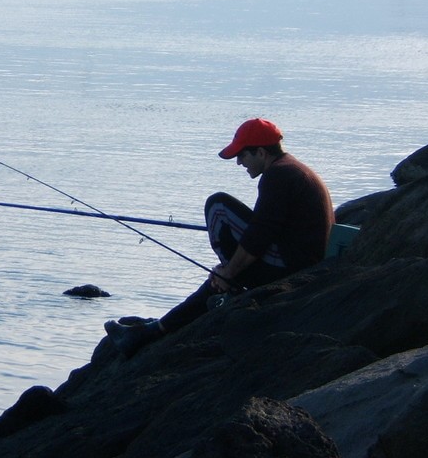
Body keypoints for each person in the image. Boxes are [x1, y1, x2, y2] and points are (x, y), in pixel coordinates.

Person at [104, 118, 334, 358]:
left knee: (218, 207)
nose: (239, 163)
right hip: (301, 259)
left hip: (292, 266)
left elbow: (260, 233)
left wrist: (229, 271)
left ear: (261, 152)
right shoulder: (292, 169)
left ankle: (219, 285)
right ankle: (154, 329)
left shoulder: (278, 175)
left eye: (243, 156)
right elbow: (265, 228)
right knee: (223, 268)